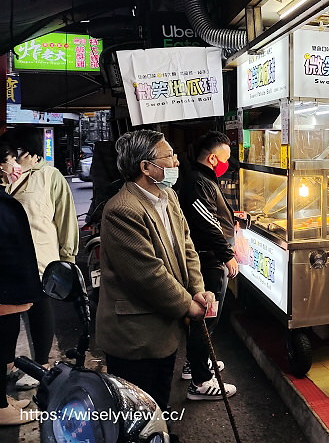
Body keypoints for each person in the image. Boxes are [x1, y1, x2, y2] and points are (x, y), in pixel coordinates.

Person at [96, 130, 236, 411]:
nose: (176, 162)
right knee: (140, 412)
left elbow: (187, 246)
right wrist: (189, 306)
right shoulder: (122, 210)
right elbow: (148, 275)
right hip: (136, 335)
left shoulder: (168, 196)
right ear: (146, 167)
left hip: (163, 331)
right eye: (169, 156)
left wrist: (198, 291)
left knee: (160, 401)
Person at [4, 127, 79, 390]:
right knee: (9, 316)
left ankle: (42, 365)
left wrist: (67, 259)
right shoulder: (7, 173)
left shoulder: (50, 176)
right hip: (9, 260)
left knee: (39, 311)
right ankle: (8, 365)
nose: (11, 156)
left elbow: (65, 218)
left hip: (40, 260)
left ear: (28, 151)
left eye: (15, 150)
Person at [177, 131, 238, 383]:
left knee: (207, 317)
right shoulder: (198, 181)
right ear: (213, 158)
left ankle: (199, 361)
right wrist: (227, 255)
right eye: (225, 158)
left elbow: (213, 215)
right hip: (208, 260)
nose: (227, 163)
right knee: (206, 317)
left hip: (211, 257)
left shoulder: (204, 179)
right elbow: (207, 224)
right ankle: (199, 378)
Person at [0, 143, 40, 426]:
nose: (15, 165)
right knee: (1, 344)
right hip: (5, 289)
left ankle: (3, 400)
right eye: (11, 160)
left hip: (9, 288)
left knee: (6, 343)